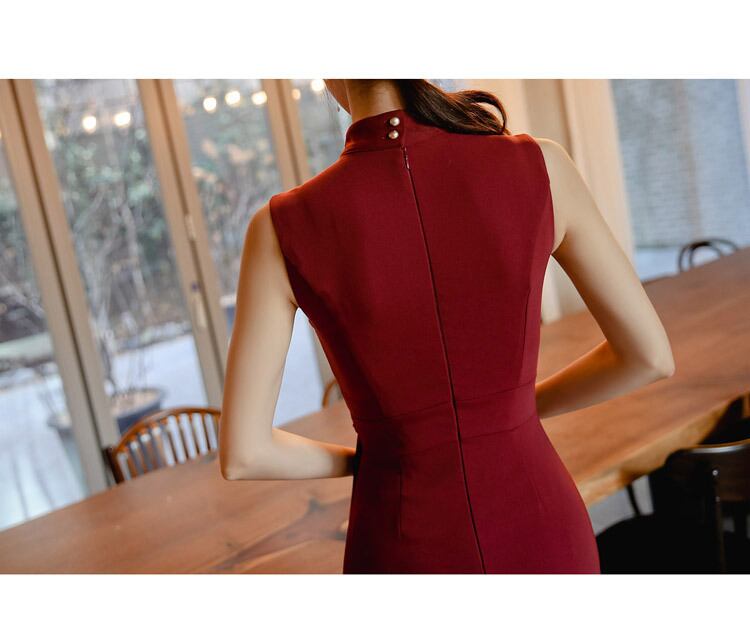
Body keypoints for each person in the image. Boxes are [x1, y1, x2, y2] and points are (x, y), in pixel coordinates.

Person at [218, 79, 675, 573]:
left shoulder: (280, 226)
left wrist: (373, 457)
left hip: (399, 542)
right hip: (543, 523)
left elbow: (247, 454)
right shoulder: (542, 165)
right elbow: (648, 358)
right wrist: (510, 414)